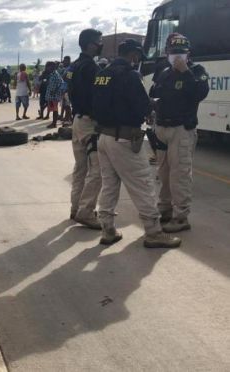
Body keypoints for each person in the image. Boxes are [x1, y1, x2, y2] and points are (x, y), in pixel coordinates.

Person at [93, 39, 182, 249]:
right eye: (138, 56)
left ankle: (108, 229)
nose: (138, 60)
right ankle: (153, 232)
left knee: (109, 185)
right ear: (133, 55)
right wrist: (153, 105)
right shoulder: (130, 75)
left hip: (103, 138)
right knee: (143, 184)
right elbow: (141, 104)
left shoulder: (101, 74)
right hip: (124, 138)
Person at [150, 33, 210, 233]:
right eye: (173, 52)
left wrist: (185, 72)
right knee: (163, 173)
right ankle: (165, 209)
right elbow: (154, 94)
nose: (177, 57)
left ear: (188, 53)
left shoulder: (197, 71)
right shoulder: (165, 72)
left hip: (182, 130)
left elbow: (200, 93)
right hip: (162, 129)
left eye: (181, 53)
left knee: (180, 174)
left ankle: (181, 216)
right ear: (167, 52)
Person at [66, 28, 104, 229]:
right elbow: (98, 98)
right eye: (99, 41)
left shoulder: (73, 66)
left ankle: (76, 208)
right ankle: (86, 211)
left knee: (80, 168)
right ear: (90, 44)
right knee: (97, 170)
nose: (101, 44)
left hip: (77, 121)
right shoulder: (91, 68)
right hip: (90, 124)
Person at [45, 62, 64, 129]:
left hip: (54, 95)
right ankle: (53, 123)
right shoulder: (53, 74)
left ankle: (54, 123)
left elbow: (59, 84)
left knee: (55, 109)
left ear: (52, 67)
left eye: (48, 67)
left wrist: (54, 92)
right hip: (52, 95)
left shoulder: (55, 74)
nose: (47, 68)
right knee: (54, 109)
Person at [59, 56, 73, 125]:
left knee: (67, 105)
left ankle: (69, 120)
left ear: (68, 61)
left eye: (64, 61)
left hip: (67, 90)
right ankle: (68, 118)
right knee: (65, 105)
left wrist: (66, 90)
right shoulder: (66, 69)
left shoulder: (70, 69)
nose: (63, 62)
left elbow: (69, 80)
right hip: (64, 89)